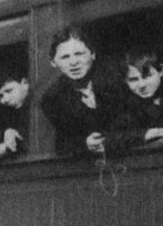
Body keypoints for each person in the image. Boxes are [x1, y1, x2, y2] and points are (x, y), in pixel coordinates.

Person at [41, 25, 130, 156]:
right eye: (65, 57)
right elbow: (64, 142)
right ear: (53, 62)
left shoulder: (116, 79)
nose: (73, 62)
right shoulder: (53, 98)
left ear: (92, 54)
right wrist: (85, 143)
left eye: (79, 54)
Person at [106, 48, 163, 151]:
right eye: (133, 79)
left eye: (147, 76)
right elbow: (112, 138)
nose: (141, 85)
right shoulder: (126, 105)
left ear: (161, 71)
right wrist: (155, 133)